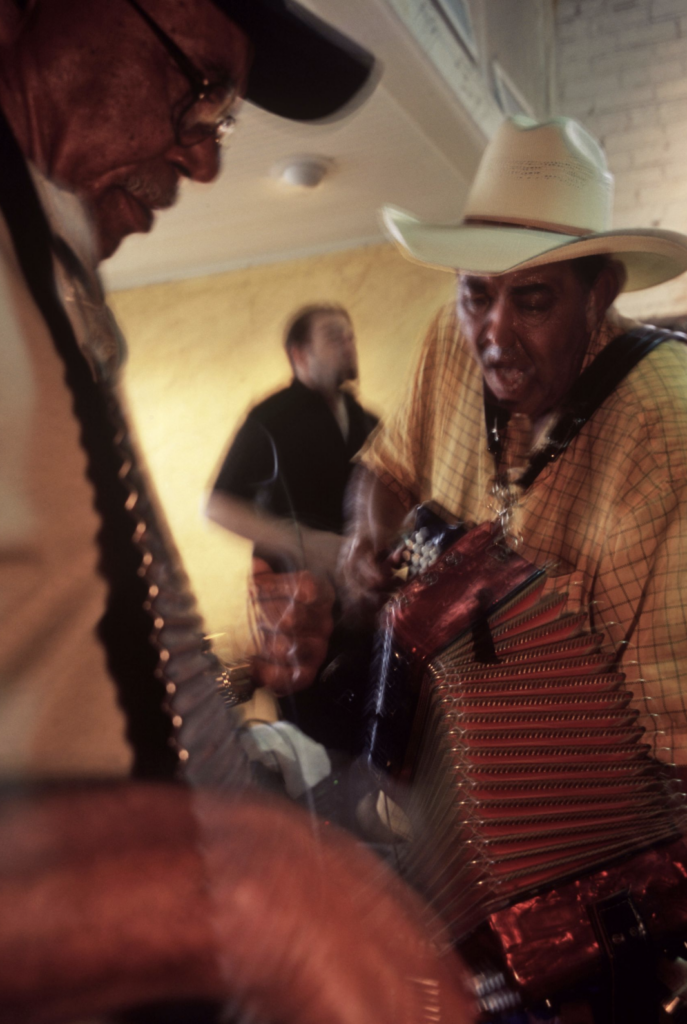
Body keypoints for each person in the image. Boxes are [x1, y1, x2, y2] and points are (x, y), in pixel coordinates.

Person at [0, 2, 474, 1021]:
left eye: (223, 116)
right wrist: (258, 895)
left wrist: (257, 775)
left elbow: (88, 658)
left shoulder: (50, 276)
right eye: (199, 82)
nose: (207, 159)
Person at [341, 115, 687, 1020]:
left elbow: (673, 760)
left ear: (598, 291)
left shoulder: (667, 424)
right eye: (475, 293)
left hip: (590, 902)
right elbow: (385, 469)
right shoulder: (447, 342)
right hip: (443, 832)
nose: (492, 333)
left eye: (531, 301)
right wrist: (362, 544)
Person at [207, 304, 378, 750]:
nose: (348, 343)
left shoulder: (369, 422)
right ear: (299, 353)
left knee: (376, 734)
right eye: (334, 335)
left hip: (362, 610)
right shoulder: (269, 418)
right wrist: (305, 544)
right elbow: (217, 505)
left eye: (350, 334)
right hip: (297, 614)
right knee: (315, 747)